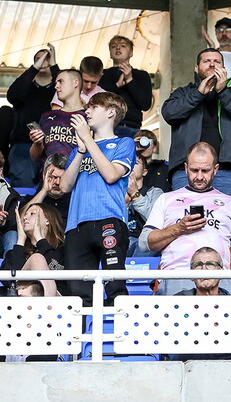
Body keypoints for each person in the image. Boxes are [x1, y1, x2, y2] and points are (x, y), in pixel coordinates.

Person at [139, 143, 231, 296]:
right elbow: (145, 243)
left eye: (205, 171)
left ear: (215, 169)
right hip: (175, 278)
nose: (199, 176)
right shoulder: (166, 199)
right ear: (185, 168)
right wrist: (179, 229)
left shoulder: (230, 202)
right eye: (193, 170)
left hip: (217, 281)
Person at [59, 92, 136, 305]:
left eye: (93, 107)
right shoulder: (79, 150)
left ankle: (118, 335)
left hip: (109, 219)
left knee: (115, 287)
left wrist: (88, 141)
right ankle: (82, 336)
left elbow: (111, 175)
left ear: (111, 112)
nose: (87, 111)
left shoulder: (124, 143)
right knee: (79, 294)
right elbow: (64, 186)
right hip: (76, 225)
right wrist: (82, 150)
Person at [162, 48, 231, 198]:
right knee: (185, 219)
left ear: (223, 68)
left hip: (226, 172)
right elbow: (169, 113)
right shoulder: (182, 93)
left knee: (225, 220)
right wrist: (198, 94)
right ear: (196, 68)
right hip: (186, 171)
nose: (212, 65)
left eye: (217, 61)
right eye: (206, 61)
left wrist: (223, 92)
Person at [6, 45, 59, 188]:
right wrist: (34, 68)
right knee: (23, 185)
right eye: (39, 59)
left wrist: (54, 65)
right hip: (23, 145)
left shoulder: (58, 90)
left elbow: (69, 91)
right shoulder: (25, 87)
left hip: (53, 146)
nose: (43, 61)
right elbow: (12, 96)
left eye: (47, 59)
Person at [3, 203, 66, 297]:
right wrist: (20, 240)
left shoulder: (63, 249)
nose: (25, 218)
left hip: (58, 302)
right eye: (25, 215)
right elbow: (11, 282)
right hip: (22, 302)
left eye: (32, 213)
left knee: (37, 258)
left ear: (47, 220)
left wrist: (40, 240)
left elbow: (57, 269)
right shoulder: (15, 252)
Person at [98, 35, 153, 137]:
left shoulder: (141, 75)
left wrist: (129, 80)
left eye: (123, 46)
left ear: (131, 53)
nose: (118, 48)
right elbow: (98, 97)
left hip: (131, 127)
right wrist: (117, 85)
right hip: (105, 125)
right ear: (110, 53)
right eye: (114, 46)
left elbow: (145, 104)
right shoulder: (103, 74)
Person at [29, 69, 86, 165]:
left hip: (77, 177)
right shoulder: (47, 117)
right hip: (48, 177)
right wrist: (37, 143)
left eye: (61, 81)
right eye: (56, 83)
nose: (56, 86)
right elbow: (34, 157)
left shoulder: (89, 117)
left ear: (75, 83)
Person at [21, 154, 71, 226]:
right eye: (53, 177)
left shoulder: (75, 202)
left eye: (62, 178)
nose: (57, 182)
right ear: (44, 175)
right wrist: (44, 191)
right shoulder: (29, 199)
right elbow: (21, 221)